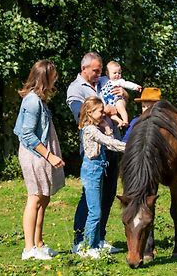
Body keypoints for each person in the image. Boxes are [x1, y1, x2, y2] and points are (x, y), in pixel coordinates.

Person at [67, 52, 128, 254]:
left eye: (100, 70)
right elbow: (81, 115)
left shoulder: (105, 81)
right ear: (84, 68)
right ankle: (79, 240)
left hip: (112, 145)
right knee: (90, 196)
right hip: (94, 150)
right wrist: (107, 112)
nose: (98, 74)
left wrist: (122, 96)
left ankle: (99, 238)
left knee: (109, 193)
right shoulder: (75, 89)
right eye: (95, 70)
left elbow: (121, 96)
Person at [14, 60, 66, 260]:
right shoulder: (32, 101)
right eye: (53, 74)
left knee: (44, 198)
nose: (56, 78)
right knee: (35, 197)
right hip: (34, 155)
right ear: (45, 77)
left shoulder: (40, 100)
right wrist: (49, 155)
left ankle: (39, 244)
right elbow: (27, 135)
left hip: (41, 154)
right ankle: (29, 249)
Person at [76, 96, 126, 258]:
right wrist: (130, 146)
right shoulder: (90, 130)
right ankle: (87, 246)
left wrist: (107, 127)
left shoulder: (96, 127)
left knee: (96, 209)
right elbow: (109, 143)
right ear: (90, 112)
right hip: (91, 172)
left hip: (98, 171)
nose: (103, 114)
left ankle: (96, 243)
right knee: (95, 212)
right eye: (100, 112)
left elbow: (108, 140)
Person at [100, 61, 142, 127]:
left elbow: (127, 84)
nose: (117, 75)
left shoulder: (119, 81)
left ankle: (125, 121)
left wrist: (135, 87)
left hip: (117, 99)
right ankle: (120, 121)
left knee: (121, 108)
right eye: (114, 73)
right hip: (108, 102)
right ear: (107, 73)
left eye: (119, 73)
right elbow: (95, 80)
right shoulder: (103, 79)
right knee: (111, 115)